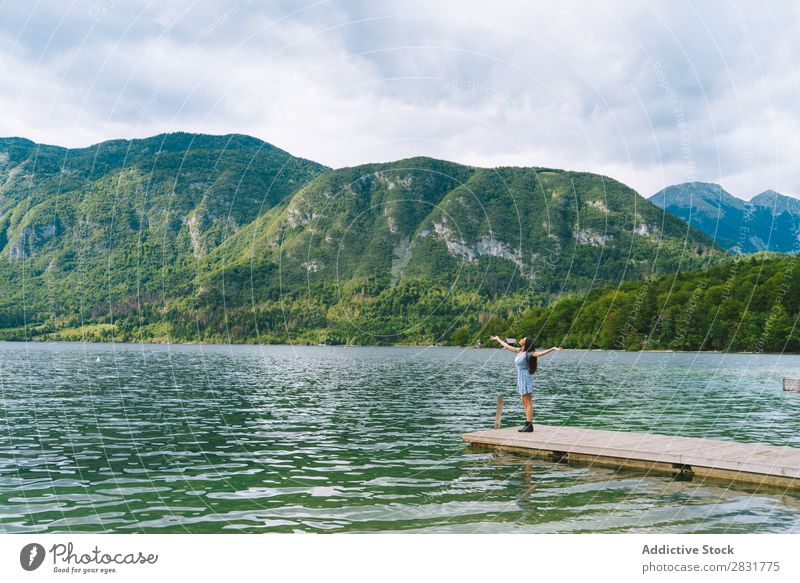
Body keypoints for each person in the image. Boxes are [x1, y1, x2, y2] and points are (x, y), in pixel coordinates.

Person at [489, 336, 561, 432]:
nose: (521, 339)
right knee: (524, 402)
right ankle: (527, 424)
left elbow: (540, 354)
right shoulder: (519, 351)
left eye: (523, 339)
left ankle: (529, 425)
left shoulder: (529, 353)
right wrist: (497, 339)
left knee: (528, 402)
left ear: (526, 343)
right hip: (520, 379)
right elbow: (506, 345)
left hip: (526, 379)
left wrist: (552, 349)